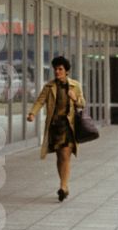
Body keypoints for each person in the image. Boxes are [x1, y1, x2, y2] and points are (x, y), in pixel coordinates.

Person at [26, 55, 86, 202]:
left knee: (65, 155)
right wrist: (32, 113)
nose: (57, 72)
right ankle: (64, 185)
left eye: (60, 69)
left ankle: (63, 186)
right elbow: (40, 101)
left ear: (66, 71)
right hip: (55, 126)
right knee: (60, 157)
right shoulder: (49, 87)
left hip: (68, 126)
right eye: (55, 69)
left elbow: (82, 104)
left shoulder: (75, 86)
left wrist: (74, 98)